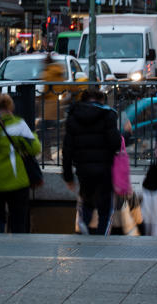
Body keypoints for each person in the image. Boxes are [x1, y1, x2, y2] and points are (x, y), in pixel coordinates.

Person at [62, 88, 121, 236]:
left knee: (87, 202)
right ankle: (102, 239)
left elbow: (67, 149)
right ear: (101, 100)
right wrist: (124, 134)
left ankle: (84, 230)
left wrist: (68, 176)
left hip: (83, 169)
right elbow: (115, 144)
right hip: (105, 169)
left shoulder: (73, 116)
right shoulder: (108, 114)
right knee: (105, 209)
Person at [0, 94, 40, 234]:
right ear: (11, 106)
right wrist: (34, 136)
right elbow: (35, 148)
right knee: (18, 220)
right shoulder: (18, 124)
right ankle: (16, 251)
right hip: (16, 179)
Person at [39, 54, 67, 161]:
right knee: (59, 131)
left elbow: (45, 90)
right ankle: (64, 153)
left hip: (49, 107)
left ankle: (46, 155)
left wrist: (40, 97)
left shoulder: (47, 73)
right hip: (59, 105)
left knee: (45, 131)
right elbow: (64, 87)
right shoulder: (60, 71)